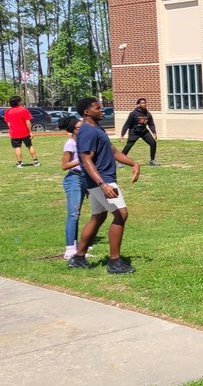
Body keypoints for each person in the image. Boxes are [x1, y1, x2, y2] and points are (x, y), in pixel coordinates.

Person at [68, 97, 141, 274]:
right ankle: (114, 262)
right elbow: (86, 160)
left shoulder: (97, 129)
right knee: (121, 214)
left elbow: (112, 151)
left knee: (98, 217)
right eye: (97, 108)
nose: (102, 110)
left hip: (101, 180)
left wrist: (133, 163)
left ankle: (78, 258)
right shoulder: (87, 132)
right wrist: (102, 185)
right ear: (87, 112)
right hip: (101, 180)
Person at [58, 116, 89, 260]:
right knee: (73, 214)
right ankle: (69, 249)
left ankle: (76, 248)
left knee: (77, 214)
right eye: (79, 128)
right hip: (73, 180)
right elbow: (64, 166)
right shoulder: (70, 144)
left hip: (83, 179)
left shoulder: (82, 142)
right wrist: (80, 160)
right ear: (73, 130)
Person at [120, 98, 159, 166]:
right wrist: (122, 135)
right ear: (138, 104)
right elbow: (127, 124)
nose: (144, 104)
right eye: (142, 103)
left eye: (145, 103)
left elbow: (151, 124)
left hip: (144, 132)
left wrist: (154, 133)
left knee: (153, 143)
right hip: (134, 132)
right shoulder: (133, 113)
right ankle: (120, 161)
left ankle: (152, 160)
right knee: (129, 145)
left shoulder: (148, 114)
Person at [3, 96, 39, 168]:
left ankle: (19, 163)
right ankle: (36, 162)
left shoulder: (8, 112)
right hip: (25, 132)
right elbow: (28, 122)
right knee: (29, 146)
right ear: (18, 102)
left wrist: (12, 129)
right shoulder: (23, 110)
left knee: (17, 147)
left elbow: (8, 123)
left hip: (14, 133)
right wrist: (30, 132)